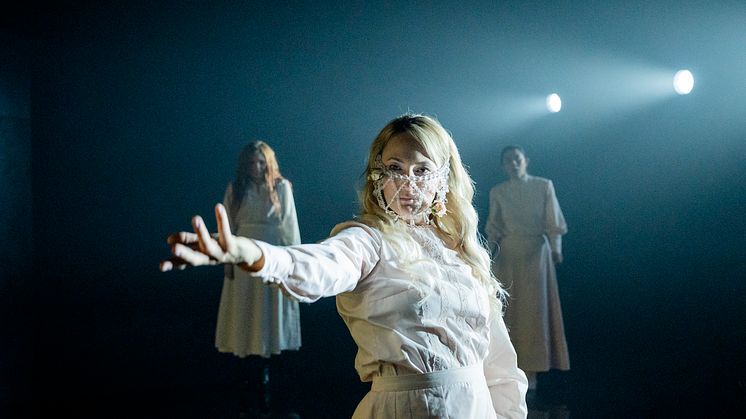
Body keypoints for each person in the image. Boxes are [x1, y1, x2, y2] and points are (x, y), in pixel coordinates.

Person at [161, 114, 528, 418]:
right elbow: (321, 264)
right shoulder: (367, 238)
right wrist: (250, 252)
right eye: (395, 168)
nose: (407, 183)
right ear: (377, 175)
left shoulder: (462, 253)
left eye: (421, 170)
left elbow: (500, 366)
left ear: (442, 180)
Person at [216, 141, 302, 416]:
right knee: (245, 318)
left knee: (269, 318)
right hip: (242, 258)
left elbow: (290, 227)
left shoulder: (281, 188)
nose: (256, 167)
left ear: (268, 163)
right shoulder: (237, 189)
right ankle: (246, 402)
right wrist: (226, 262)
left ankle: (272, 400)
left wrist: (295, 265)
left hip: (273, 255)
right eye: (252, 162)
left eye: (261, 162)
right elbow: (227, 226)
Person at [485, 145, 570, 393]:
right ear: (503, 165)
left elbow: (553, 222)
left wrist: (556, 248)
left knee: (534, 311)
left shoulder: (543, 186)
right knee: (509, 310)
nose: (513, 164)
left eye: (517, 159)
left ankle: (532, 369)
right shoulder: (498, 191)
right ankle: (507, 369)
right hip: (509, 255)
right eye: (508, 160)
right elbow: (494, 227)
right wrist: (487, 256)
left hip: (536, 254)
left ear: (526, 161)